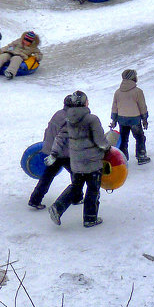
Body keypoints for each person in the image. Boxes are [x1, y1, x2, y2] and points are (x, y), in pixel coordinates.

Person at [46, 91, 111, 228]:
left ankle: (57, 208)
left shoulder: (69, 119)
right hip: (92, 162)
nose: (88, 102)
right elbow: (100, 140)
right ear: (83, 102)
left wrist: (54, 153)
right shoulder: (92, 119)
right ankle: (90, 218)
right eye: (87, 100)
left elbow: (60, 137)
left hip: (76, 162)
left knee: (76, 187)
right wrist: (107, 148)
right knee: (93, 189)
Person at [28, 98, 71, 209]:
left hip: (51, 150)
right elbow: (64, 138)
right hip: (62, 153)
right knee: (77, 175)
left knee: (47, 176)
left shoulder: (58, 114)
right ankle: (76, 197)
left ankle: (35, 199)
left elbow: (47, 130)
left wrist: (46, 145)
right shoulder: (69, 118)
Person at [110, 69, 149, 164]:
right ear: (133, 78)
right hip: (134, 119)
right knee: (140, 137)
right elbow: (142, 106)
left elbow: (114, 107)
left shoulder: (118, 92)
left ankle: (123, 159)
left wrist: (114, 120)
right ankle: (141, 156)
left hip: (122, 119)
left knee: (123, 139)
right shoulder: (138, 92)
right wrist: (144, 119)